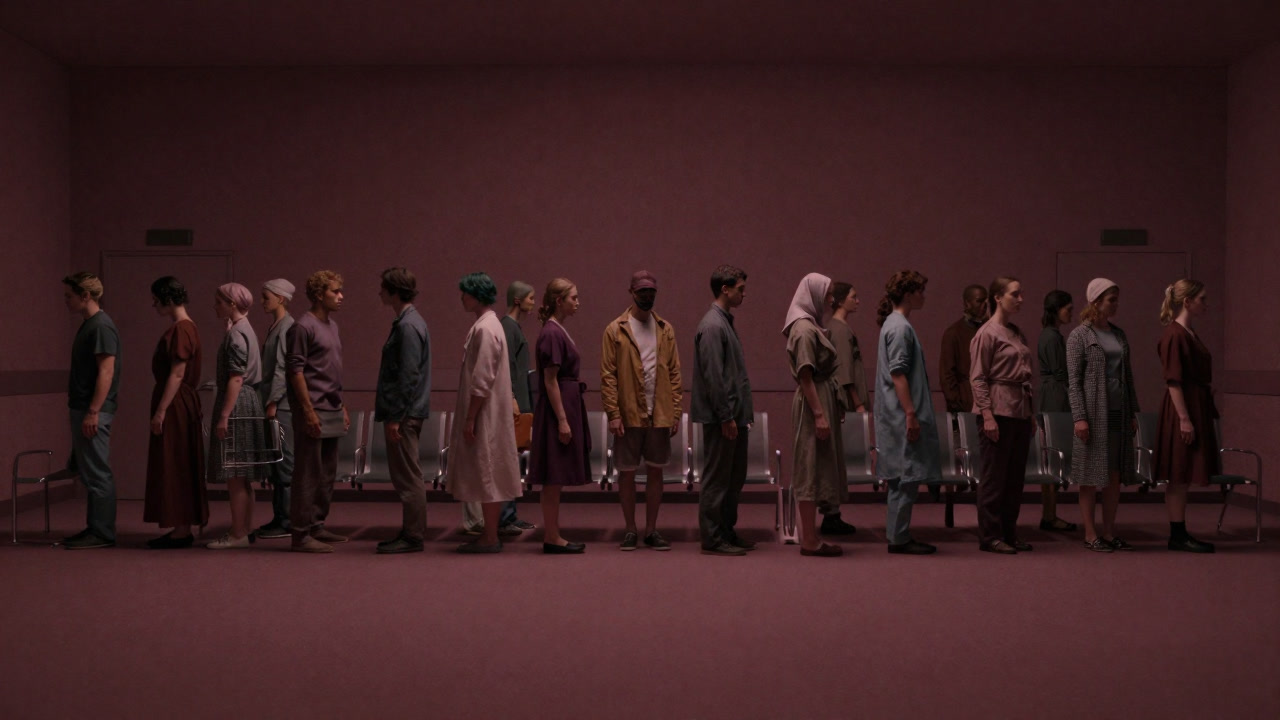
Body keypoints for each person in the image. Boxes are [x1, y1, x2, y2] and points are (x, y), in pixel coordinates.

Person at [601, 270, 683, 551]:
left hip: (658, 411)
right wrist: (613, 413)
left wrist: (675, 410)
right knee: (626, 472)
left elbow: (674, 373)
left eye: (651, 292)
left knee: (656, 471)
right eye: (642, 292)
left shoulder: (665, 329)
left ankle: (651, 529)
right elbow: (608, 375)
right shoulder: (615, 329)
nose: (647, 297)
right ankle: (630, 529)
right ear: (632, 293)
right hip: (628, 412)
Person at [449, 273, 524, 553]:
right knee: (487, 471)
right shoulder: (489, 325)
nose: (461, 298)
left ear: (475, 295)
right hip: (488, 411)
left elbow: (481, 379)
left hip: (485, 413)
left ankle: (490, 536)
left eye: (465, 293)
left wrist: (471, 417)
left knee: (487, 471)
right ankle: (489, 533)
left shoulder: (485, 328)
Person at [1066, 278, 1140, 553]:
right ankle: (1089, 532)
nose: (1116, 304)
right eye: (1111, 300)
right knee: (1089, 475)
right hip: (1093, 412)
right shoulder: (1079, 335)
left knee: (1114, 474)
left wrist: (1132, 411)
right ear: (1096, 301)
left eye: (1117, 299)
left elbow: (1128, 377)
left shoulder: (1119, 335)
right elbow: (1073, 381)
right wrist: (1079, 417)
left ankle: (1109, 532)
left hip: (1118, 410)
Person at [462, 281, 538, 537]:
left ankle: (508, 516)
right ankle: (504, 518)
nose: (533, 303)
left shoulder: (510, 327)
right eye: (530, 298)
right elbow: (499, 371)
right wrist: (515, 399)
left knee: (510, 461)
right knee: (503, 461)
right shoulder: (505, 327)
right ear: (518, 300)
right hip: (512, 404)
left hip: (518, 403)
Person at [874, 270, 942, 555]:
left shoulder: (892, 324)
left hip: (892, 414)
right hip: (902, 414)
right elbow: (899, 374)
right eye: (920, 290)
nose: (923, 295)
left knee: (899, 479)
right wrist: (911, 414)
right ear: (908, 293)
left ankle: (897, 535)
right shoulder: (900, 328)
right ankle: (899, 538)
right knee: (906, 477)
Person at [692, 265, 755, 557]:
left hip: (734, 417)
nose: (744, 294)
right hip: (723, 419)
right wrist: (726, 416)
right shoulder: (713, 326)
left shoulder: (724, 322)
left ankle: (726, 531)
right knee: (717, 479)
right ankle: (713, 537)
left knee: (733, 479)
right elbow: (714, 377)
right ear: (725, 289)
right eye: (740, 289)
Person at [969, 277, 1035, 554]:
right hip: (997, 410)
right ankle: (991, 535)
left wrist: (1030, 415)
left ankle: (1009, 532)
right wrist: (987, 415)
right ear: (998, 297)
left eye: (1021, 294)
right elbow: (978, 378)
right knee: (994, 478)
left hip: (1019, 410)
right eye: (1015, 294)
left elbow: (1026, 379)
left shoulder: (1016, 333)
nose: (1020, 299)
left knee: (1014, 478)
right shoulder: (987, 333)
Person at [287, 270, 351, 553]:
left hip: (332, 405)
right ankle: (300, 535)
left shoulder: (333, 326)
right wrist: (308, 410)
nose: (340, 296)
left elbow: (331, 368)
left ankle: (316, 525)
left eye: (340, 291)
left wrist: (342, 404)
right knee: (307, 473)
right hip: (312, 409)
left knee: (326, 473)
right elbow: (296, 371)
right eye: (334, 291)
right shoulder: (303, 327)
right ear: (318, 295)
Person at [526, 278, 590, 554]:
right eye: (573, 297)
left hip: (563, 405)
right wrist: (563, 419)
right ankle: (551, 536)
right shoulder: (552, 333)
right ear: (558, 300)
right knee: (553, 477)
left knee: (556, 478)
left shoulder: (556, 330)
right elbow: (550, 380)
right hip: (557, 410)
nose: (578, 302)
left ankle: (553, 534)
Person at [784, 273, 846, 557]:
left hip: (819, 400)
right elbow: (805, 376)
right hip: (813, 404)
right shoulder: (804, 330)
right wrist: (819, 414)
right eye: (828, 293)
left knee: (817, 465)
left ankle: (812, 535)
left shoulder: (809, 326)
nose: (831, 299)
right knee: (809, 466)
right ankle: (808, 539)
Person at [1154, 279, 1218, 553]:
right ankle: (1177, 534)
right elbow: (1173, 381)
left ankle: (1180, 531)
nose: (1206, 303)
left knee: (1185, 471)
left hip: (1194, 403)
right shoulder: (1175, 334)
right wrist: (1184, 418)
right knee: (1179, 472)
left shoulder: (1188, 332)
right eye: (1202, 299)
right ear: (1187, 302)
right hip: (1183, 407)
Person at [143, 276, 207, 549]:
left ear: (168, 300)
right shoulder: (186, 327)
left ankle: (182, 530)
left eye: (156, 299)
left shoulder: (181, 329)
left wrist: (160, 411)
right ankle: (181, 526)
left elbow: (178, 373)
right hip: (180, 401)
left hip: (176, 403)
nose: (154, 304)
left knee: (176, 461)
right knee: (179, 461)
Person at [373, 267, 432, 554]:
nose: (380, 292)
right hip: (407, 412)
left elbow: (408, 376)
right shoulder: (408, 322)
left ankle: (413, 535)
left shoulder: (408, 326)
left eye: (383, 288)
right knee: (408, 475)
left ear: (394, 291)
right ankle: (411, 531)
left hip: (405, 415)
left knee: (408, 477)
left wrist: (396, 417)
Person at [60, 272, 120, 550]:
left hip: (92, 408)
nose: (66, 301)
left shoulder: (101, 327)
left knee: (97, 472)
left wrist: (94, 410)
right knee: (89, 470)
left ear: (85, 296)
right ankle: (95, 527)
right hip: (84, 406)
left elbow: (106, 371)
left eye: (69, 296)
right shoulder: (89, 325)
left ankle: (102, 532)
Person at [206, 283, 268, 549]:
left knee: (234, 473)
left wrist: (224, 415)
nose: (215, 306)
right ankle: (245, 528)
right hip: (249, 400)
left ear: (232, 304)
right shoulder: (245, 330)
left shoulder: (236, 335)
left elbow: (235, 377)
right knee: (242, 473)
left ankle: (237, 532)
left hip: (238, 402)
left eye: (219, 302)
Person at [821, 281, 868, 536]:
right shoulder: (839, 330)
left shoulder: (839, 327)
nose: (857, 300)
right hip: (844, 403)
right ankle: (831, 515)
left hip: (844, 402)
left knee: (838, 460)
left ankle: (832, 513)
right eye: (854, 296)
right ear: (840, 301)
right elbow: (844, 370)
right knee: (835, 458)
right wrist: (857, 403)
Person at [254, 278, 296, 539]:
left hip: (281, 407)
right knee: (277, 461)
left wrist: (272, 402)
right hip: (275, 404)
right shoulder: (276, 327)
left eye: (266, 297)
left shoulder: (286, 329)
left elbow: (282, 369)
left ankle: (288, 519)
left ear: (281, 298)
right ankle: (280, 516)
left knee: (285, 462)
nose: (262, 302)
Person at [1035, 290, 1077, 533]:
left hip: (1055, 393)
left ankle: (1050, 513)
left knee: (1053, 456)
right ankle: (1048, 515)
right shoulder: (1050, 337)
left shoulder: (1052, 335)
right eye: (1067, 309)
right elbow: (1061, 371)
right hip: (1056, 395)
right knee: (1053, 454)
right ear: (1056, 309)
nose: (1070, 313)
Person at [939, 284, 989, 414]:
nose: (984, 305)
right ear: (967, 303)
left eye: (986, 301)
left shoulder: (989, 331)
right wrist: (957, 404)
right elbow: (947, 374)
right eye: (979, 301)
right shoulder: (953, 333)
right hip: (967, 402)